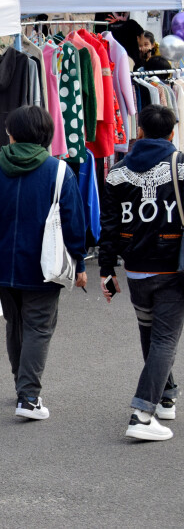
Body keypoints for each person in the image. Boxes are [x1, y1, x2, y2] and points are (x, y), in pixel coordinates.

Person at [0, 106, 87, 421]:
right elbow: (74, 223)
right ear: (46, 135)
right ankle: (29, 398)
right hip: (43, 267)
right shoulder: (58, 171)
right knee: (39, 327)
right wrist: (80, 263)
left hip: (1, 265)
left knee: (15, 324)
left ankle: (22, 388)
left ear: (12, 134)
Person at [99, 105, 184, 441]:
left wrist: (106, 270)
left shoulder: (116, 172)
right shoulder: (181, 166)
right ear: (172, 132)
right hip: (173, 267)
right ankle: (142, 414)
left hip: (135, 269)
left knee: (150, 332)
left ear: (141, 132)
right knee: (164, 339)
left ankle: (165, 395)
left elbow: (108, 225)